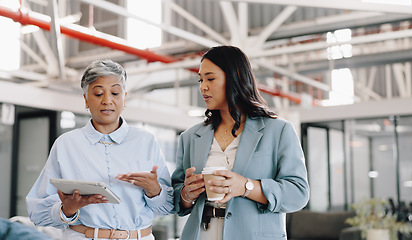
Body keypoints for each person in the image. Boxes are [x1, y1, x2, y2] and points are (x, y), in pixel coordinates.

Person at [171, 45, 310, 240]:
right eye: (200, 79)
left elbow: (298, 194)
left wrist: (246, 187)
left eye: (210, 78)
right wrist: (187, 194)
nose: (203, 86)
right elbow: (176, 200)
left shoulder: (278, 131)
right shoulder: (190, 137)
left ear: (235, 77)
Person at [26, 59, 174, 240]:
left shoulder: (146, 141)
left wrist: (155, 190)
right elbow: (36, 212)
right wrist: (67, 209)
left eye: (115, 93)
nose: (107, 101)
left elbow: (169, 206)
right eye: (98, 94)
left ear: (124, 97)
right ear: (86, 99)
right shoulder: (66, 144)